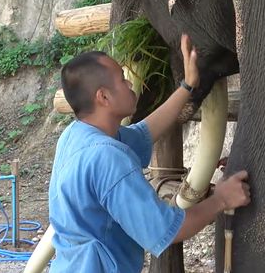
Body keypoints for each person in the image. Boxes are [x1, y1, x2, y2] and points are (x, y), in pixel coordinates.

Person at [48, 34, 251, 273]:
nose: (130, 84)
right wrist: (222, 199)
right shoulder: (108, 158)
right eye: (122, 80)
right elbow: (167, 230)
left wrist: (188, 86)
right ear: (104, 97)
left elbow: (144, 132)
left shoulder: (77, 136)